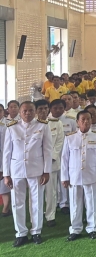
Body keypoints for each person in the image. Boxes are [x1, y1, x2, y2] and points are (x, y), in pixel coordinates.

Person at [2, 101, 53, 246]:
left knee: (36, 201)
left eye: (31, 110)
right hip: (16, 170)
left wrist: (46, 171)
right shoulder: (12, 127)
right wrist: (6, 174)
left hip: (36, 169)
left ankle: (36, 231)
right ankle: (21, 233)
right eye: (24, 111)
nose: (28, 113)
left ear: (35, 111)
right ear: (20, 112)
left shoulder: (43, 126)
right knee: (17, 202)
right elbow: (7, 152)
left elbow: (47, 150)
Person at [61, 110, 96, 240]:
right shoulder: (70, 137)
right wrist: (65, 177)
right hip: (74, 176)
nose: (86, 122)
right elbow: (64, 159)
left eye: (88, 119)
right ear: (77, 122)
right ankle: (75, 229)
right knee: (75, 204)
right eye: (83, 119)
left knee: (92, 203)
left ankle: (92, 228)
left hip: (91, 175)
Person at [40, 100, 65, 228]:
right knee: (37, 192)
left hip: (51, 163)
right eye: (40, 109)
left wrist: (52, 157)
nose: (43, 111)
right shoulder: (32, 125)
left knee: (51, 191)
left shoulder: (56, 123)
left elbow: (60, 141)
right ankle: (38, 215)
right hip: (36, 164)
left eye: (45, 108)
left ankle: (50, 216)